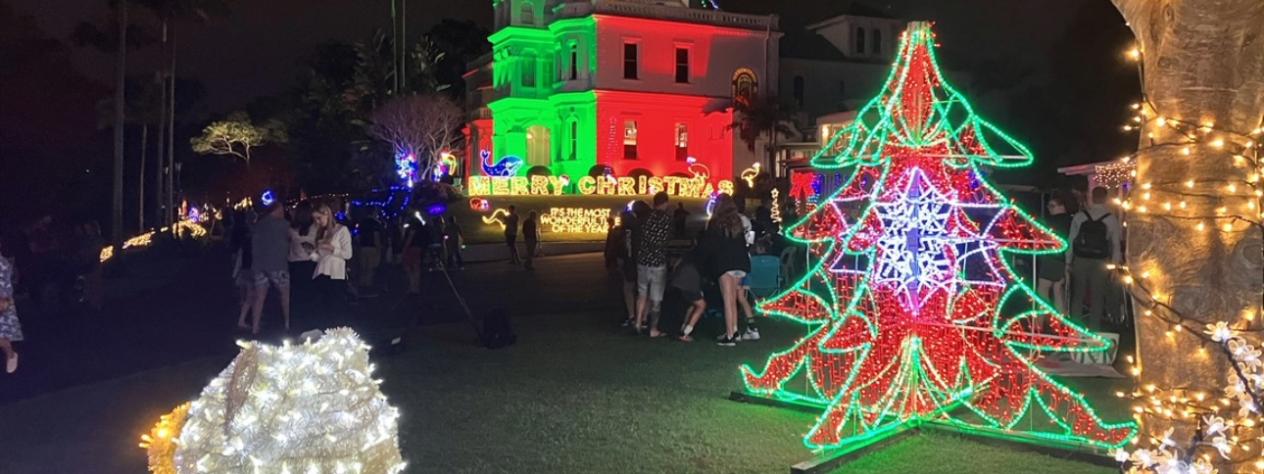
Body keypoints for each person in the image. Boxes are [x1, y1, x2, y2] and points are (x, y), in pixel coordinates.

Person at [1066, 187, 1122, 330]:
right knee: (1097, 296)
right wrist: (1115, 265)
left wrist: (1068, 261)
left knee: (1078, 295)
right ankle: (1094, 329)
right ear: (1105, 198)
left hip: (1081, 259)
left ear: (1091, 197)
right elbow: (1115, 244)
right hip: (1100, 261)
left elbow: (1071, 240)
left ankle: (1075, 329)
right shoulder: (1110, 218)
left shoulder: (1080, 216)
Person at [699, 194, 751, 346]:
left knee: (728, 300)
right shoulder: (738, 222)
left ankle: (730, 335)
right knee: (734, 299)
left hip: (725, 264)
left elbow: (709, 246)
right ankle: (734, 331)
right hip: (740, 263)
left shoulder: (716, 223)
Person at [250, 199, 293, 335]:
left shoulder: (259, 225)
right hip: (278, 264)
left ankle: (255, 327)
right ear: (277, 210)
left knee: (259, 297)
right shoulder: (284, 225)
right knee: (285, 294)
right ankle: (287, 323)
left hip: (260, 265)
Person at [635, 192, 672, 337]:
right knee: (656, 297)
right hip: (658, 262)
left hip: (643, 260)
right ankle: (653, 328)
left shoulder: (646, 218)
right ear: (665, 203)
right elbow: (667, 239)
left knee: (642, 293)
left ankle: (638, 322)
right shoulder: (667, 220)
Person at [1037, 193, 1075, 316]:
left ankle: (1041, 321)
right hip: (1063, 259)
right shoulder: (1071, 220)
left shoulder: (1052, 221)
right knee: (1058, 290)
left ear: (1062, 206)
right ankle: (1061, 321)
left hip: (1051, 257)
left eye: (1052, 206)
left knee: (1042, 290)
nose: (1049, 208)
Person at [311, 204, 354, 305]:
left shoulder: (341, 230)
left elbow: (348, 254)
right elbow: (320, 257)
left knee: (335, 306)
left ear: (326, 214)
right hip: (321, 273)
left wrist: (333, 249)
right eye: (315, 219)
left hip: (335, 274)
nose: (317, 222)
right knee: (322, 307)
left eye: (319, 218)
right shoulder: (321, 232)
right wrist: (311, 253)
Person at [671, 251, 707, 342]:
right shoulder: (701, 256)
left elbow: (676, 264)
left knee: (692, 305)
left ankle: (683, 329)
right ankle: (685, 333)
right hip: (690, 282)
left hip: (678, 281)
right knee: (701, 305)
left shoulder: (689, 254)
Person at [230, 210, 257, 330]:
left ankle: (245, 317)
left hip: (245, 267)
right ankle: (248, 320)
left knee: (249, 294)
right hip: (252, 268)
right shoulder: (252, 236)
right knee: (253, 295)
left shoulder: (242, 234)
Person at [0, 241, 24, 373]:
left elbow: (7, 287)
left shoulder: (3, 264)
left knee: (2, 335)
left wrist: (5, 301)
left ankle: (10, 354)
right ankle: (10, 354)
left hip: (3, 301)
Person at [288, 201, 317, 300]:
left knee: (297, 294)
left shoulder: (291, 229)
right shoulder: (315, 228)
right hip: (310, 262)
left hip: (295, 263)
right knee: (310, 293)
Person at [401, 210, 429, 295]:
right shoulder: (420, 225)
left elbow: (410, 236)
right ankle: (416, 287)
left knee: (409, 267)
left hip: (411, 248)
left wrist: (405, 247)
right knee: (416, 268)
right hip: (419, 247)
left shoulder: (412, 225)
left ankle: (412, 286)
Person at [356, 211, 384, 289]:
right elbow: (376, 236)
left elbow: (358, 236)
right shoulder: (375, 224)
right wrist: (379, 249)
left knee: (363, 267)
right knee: (370, 267)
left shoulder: (362, 223)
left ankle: (361, 283)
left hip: (363, 246)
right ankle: (368, 284)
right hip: (372, 247)